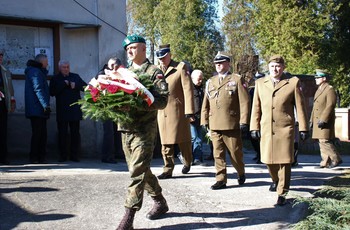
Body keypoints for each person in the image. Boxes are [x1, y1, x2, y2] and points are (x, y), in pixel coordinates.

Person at [116, 34, 169, 229]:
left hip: (144, 130)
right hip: (126, 129)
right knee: (140, 169)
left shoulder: (154, 72)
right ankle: (160, 202)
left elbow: (162, 101)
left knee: (136, 172)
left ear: (144, 49)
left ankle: (128, 218)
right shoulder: (124, 73)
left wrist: (140, 103)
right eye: (128, 49)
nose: (130, 51)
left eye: (134, 47)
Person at [250, 55, 309, 206]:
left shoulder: (292, 83)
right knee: (268, 161)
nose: (275, 69)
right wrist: (254, 127)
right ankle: (276, 180)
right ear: (268, 67)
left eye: (278, 66)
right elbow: (256, 108)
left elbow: (300, 107)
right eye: (272, 66)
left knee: (284, 162)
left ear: (283, 68)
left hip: (285, 129)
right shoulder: (260, 83)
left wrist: (303, 128)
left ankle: (282, 193)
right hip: (267, 129)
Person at [201, 51, 250, 190]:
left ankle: (240, 172)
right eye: (216, 63)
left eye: (221, 63)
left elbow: (245, 102)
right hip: (215, 123)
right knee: (218, 153)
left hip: (231, 123)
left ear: (228, 63)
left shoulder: (236, 79)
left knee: (235, 152)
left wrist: (243, 121)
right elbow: (206, 102)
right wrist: (204, 120)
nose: (218, 65)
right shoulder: (211, 81)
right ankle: (221, 179)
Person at [156, 44, 195, 179]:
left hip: (178, 110)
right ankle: (167, 169)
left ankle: (188, 160)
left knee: (183, 140)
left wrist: (189, 111)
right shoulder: (156, 71)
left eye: (164, 57)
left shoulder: (180, 68)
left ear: (169, 55)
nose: (162, 60)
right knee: (165, 141)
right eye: (159, 58)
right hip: (162, 111)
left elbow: (188, 89)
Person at [49, 60, 87, 162]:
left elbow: (86, 87)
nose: (66, 69)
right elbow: (52, 92)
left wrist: (76, 85)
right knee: (62, 134)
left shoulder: (75, 76)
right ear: (59, 68)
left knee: (75, 133)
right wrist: (63, 84)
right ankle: (63, 156)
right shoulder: (56, 79)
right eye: (64, 67)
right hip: (62, 110)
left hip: (75, 110)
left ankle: (74, 156)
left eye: (67, 67)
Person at [310, 69, 342, 168]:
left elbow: (330, 105)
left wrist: (324, 119)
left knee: (325, 140)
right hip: (318, 119)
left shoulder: (329, 89)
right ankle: (325, 162)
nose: (316, 79)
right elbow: (315, 107)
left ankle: (336, 159)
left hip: (325, 120)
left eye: (318, 77)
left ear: (324, 78)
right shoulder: (320, 89)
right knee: (321, 141)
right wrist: (311, 120)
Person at [96, 57, 123, 163]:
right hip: (106, 107)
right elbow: (100, 79)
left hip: (116, 107)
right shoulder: (102, 73)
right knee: (109, 132)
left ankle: (118, 153)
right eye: (114, 67)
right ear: (110, 65)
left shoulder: (119, 73)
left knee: (117, 131)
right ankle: (107, 156)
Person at [25, 54, 51, 164]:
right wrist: (45, 105)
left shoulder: (38, 71)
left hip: (38, 108)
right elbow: (38, 89)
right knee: (38, 134)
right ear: (41, 62)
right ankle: (35, 157)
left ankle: (40, 156)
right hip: (37, 108)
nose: (48, 63)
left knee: (42, 134)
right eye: (46, 62)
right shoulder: (35, 72)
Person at [0, 49, 16, 165]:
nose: (0, 59)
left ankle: (3, 157)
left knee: (3, 131)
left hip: (2, 105)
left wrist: (11, 100)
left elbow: (9, 88)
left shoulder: (5, 71)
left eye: (1, 57)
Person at [190, 69, 206, 166]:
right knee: (195, 138)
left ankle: (197, 158)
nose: (200, 81)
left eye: (201, 79)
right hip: (191, 117)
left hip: (200, 117)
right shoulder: (190, 89)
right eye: (198, 79)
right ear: (192, 78)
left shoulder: (201, 89)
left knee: (199, 138)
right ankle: (194, 158)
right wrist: (189, 115)